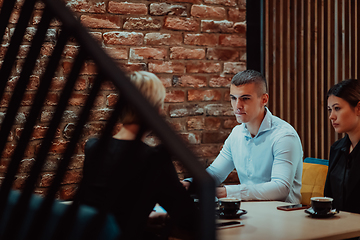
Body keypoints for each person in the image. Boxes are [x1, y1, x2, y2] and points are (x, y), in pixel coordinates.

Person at [79, 71, 199, 239]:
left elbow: (108, 208)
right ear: (156, 111)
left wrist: (142, 219)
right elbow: (191, 219)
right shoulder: (153, 159)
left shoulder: (93, 146)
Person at [183, 70, 303, 203]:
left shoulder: (284, 136)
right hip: (248, 214)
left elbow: (280, 189)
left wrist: (227, 192)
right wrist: (190, 184)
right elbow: (216, 172)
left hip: (282, 216)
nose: (237, 106)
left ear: (264, 99)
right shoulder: (236, 134)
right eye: (233, 98)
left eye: (245, 98)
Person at [324, 79, 360, 214]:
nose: (331, 116)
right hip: (337, 228)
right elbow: (328, 198)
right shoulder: (336, 148)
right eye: (329, 110)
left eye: (337, 108)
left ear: (358, 108)